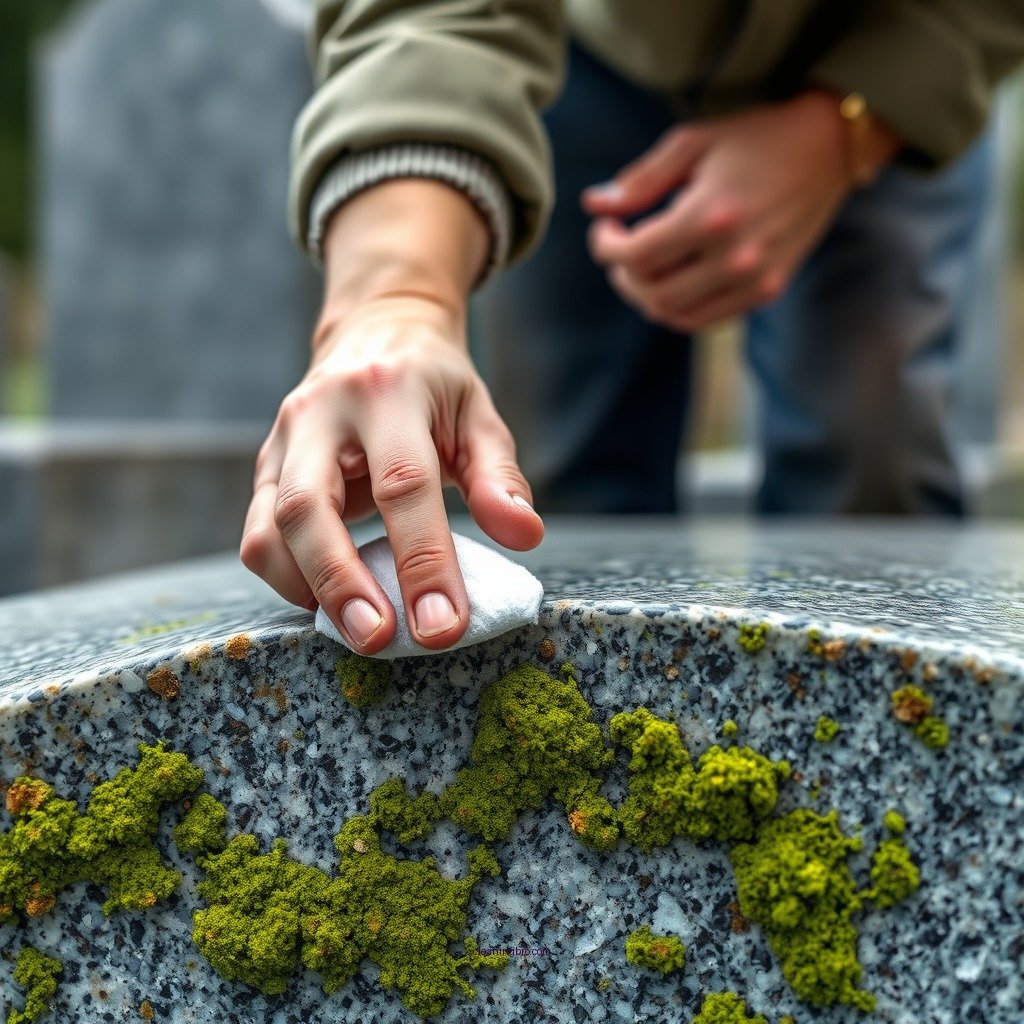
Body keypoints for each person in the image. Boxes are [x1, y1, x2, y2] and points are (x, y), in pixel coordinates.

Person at [240, 1, 1024, 657]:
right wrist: (394, 299)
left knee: (871, 454)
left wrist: (852, 123)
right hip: (587, 50)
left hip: (891, 30)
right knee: (566, 487)